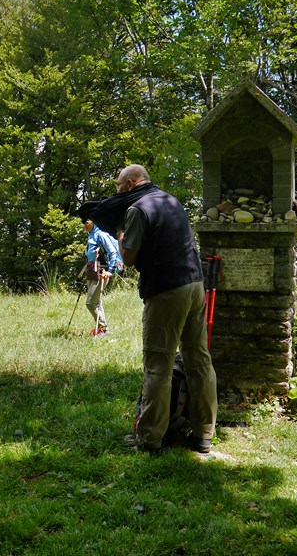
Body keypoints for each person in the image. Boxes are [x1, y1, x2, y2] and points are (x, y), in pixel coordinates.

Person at [113, 164, 217, 453]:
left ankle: (149, 439)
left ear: (130, 184)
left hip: (166, 290)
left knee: (159, 364)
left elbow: (128, 258)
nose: (117, 192)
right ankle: (204, 435)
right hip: (195, 285)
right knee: (199, 359)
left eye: (119, 187)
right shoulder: (171, 201)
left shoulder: (137, 209)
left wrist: (120, 235)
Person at [81, 217, 120, 337]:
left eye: (87, 222)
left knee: (90, 303)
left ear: (93, 222)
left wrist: (110, 271)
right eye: (83, 223)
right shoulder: (91, 235)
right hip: (91, 271)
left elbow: (113, 252)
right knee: (97, 302)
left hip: (101, 272)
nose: (84, 225)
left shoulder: (101, 235)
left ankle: (103, 328)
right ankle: (101, 330)